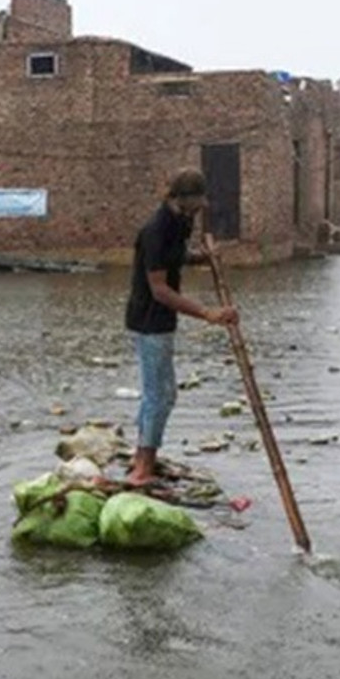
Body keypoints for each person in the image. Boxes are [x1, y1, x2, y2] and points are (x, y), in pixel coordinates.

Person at [123, 168, 239, 487]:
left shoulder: (181, 222)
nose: (202, 206)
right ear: (181, 199)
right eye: (198, 200)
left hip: (161, 320)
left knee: (160, 393)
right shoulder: (157, 230)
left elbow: (175, 257)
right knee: (159, 395)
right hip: (149, 320)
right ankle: (143, 468)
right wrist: (208, 313)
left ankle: (141, 458)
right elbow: (160, 289)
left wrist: (201, 257)